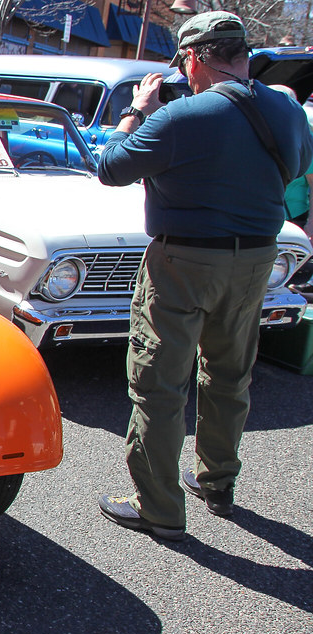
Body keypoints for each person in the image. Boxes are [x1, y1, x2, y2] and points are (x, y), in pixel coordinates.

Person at [95, 11, 313, 541]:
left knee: (159, 383)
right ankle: (217, 482)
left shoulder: (181, 118)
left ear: (193, 59)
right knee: (229, 374)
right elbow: (301, 163)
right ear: (242, 54)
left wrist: (136, 111)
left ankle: (159, 508)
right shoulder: (284, 105)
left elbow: (110, 167)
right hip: (258, 257)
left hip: (184, 262)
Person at [268, 85, 313, 292]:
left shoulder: (303, 137)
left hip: (294, 219)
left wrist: (311, 228)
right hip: (264, 217)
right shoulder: (255, 130)